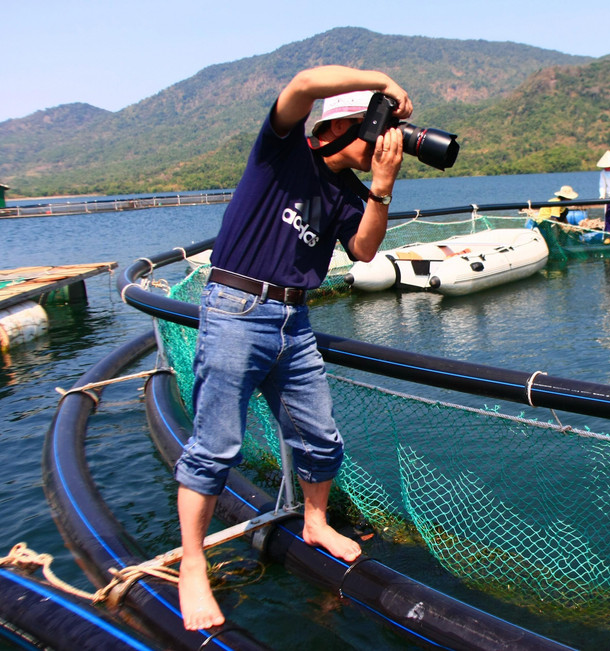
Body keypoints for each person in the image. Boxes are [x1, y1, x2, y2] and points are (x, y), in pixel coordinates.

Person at [173, 64, 411, 632]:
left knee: (320, 437)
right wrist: (380, 79)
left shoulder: (350, 191)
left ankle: (315, 522)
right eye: (369, 127)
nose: (380, 140)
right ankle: (191, 564)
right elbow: (304, 84)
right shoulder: (282, 152)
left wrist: (381, 188)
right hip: (236, 308)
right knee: (215, 446)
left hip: (293, 319)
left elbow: (365, 250)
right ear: (331, 130)